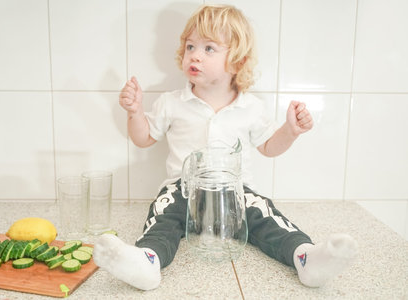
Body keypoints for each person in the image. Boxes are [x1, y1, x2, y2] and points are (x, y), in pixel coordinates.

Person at [93, 4, 357, 291]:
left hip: (235, 192)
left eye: (209, 49)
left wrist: (290, 130)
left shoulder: (251, 107)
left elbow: (268, 147)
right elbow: (144, 139)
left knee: (265, 215)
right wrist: (135, 112)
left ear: (237, 61)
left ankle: (305, 256)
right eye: (191, 45)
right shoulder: (171, 102)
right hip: (183, 189)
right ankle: (148, 261)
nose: (195, 54)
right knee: (163, 215)